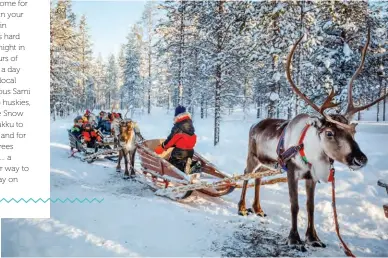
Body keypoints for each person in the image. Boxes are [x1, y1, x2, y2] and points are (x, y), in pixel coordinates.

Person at [154, 105, 197, 173]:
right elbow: (181, 139)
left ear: (177, 115)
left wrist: (162, 147)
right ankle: (193, 165)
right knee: (182, 164)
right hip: (190, 151)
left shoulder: (178, 125)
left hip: (179, 152)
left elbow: (171, 139)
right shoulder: (190, 124)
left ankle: (187, 167)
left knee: (172, 166)